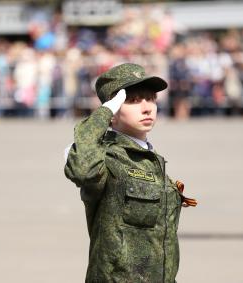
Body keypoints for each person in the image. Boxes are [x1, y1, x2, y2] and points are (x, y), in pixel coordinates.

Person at [64, 63, 197, 282]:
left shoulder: (151, 160)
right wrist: (103, 114)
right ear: (113, 113)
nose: (147, 107)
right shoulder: (106, 157)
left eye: (151, 98)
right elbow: (83, 171)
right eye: (134, 101)